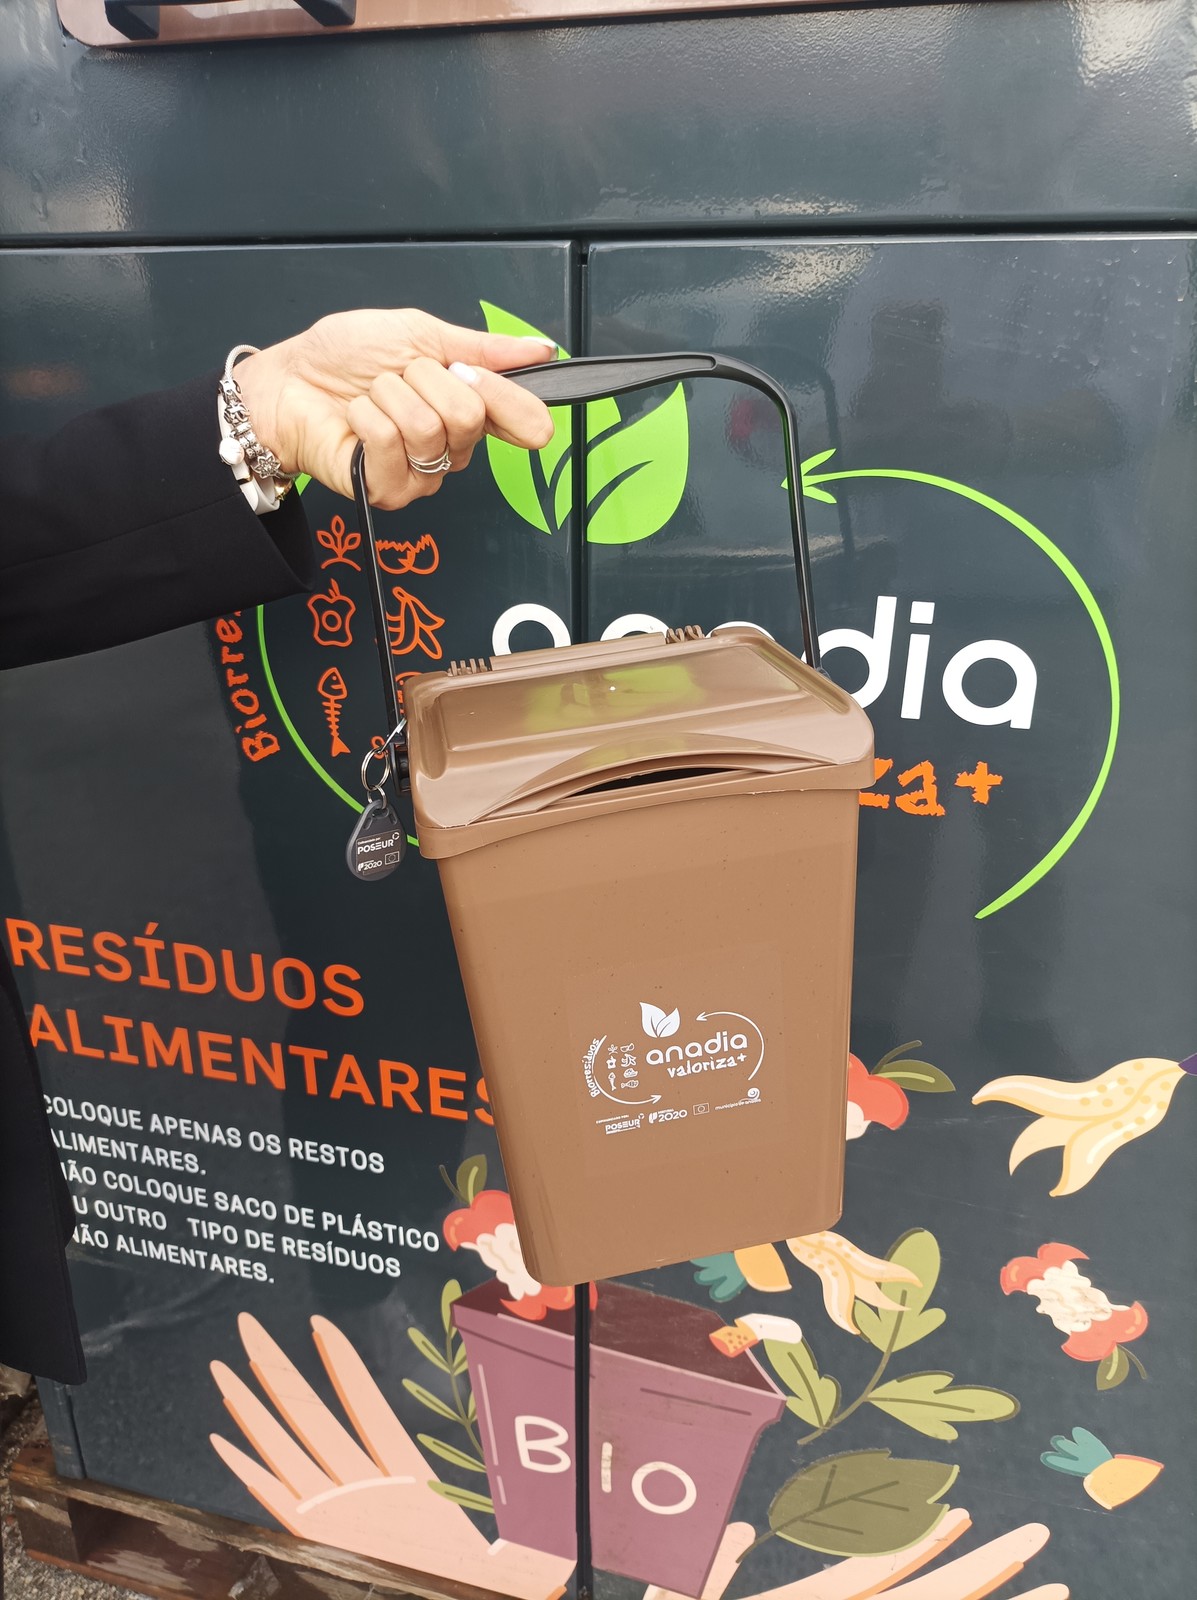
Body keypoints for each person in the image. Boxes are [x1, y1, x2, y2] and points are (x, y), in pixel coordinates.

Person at [0, 307, 557, 1384]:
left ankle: (468, 1269)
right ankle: (365, 1292)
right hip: (343, 677)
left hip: (445, 546)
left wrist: (257, 417)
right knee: (369, 986)